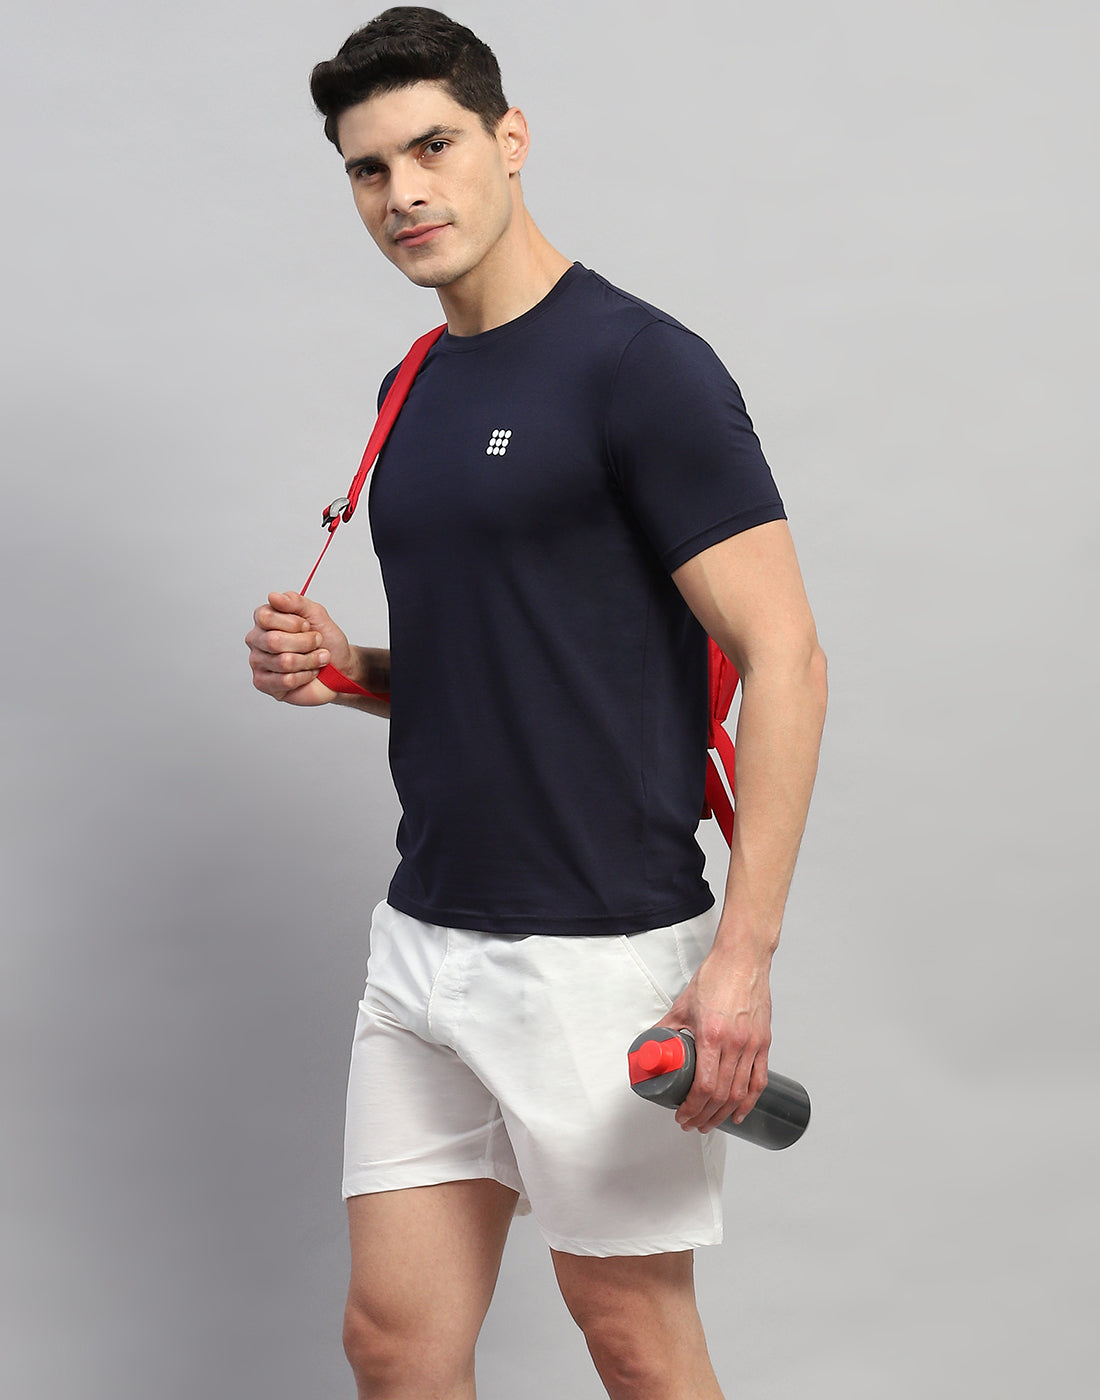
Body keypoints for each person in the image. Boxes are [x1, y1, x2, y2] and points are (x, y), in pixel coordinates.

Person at [245, 9, 827, 1398]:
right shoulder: (412, 384)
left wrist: (741, 962)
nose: (405, 193)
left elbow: (789, 656)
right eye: (369, 168)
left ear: (509, 139)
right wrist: (349, 670)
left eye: (433, 147)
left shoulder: (640, 366)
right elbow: (504, 666)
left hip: (596, 951)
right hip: (425, 942)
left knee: (634, 1341)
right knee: (394, 1347)